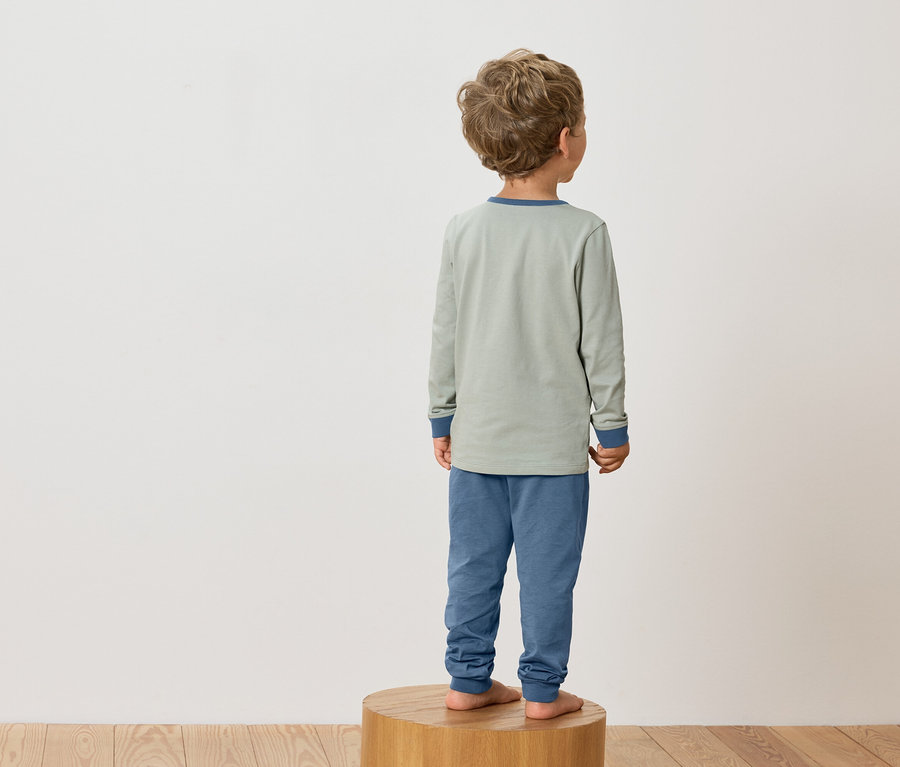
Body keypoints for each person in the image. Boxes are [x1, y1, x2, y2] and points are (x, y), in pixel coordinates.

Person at [426, 48, 631, 720]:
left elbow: (445, 334)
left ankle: (466, 678)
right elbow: (600, 341)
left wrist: (441, 417)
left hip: (477, 445)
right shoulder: (584, 233)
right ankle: (542, 691)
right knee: (548, 577)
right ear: (567, 140)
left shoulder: (464, 230)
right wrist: (613, 428)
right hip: (550, 452)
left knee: (472, 569)